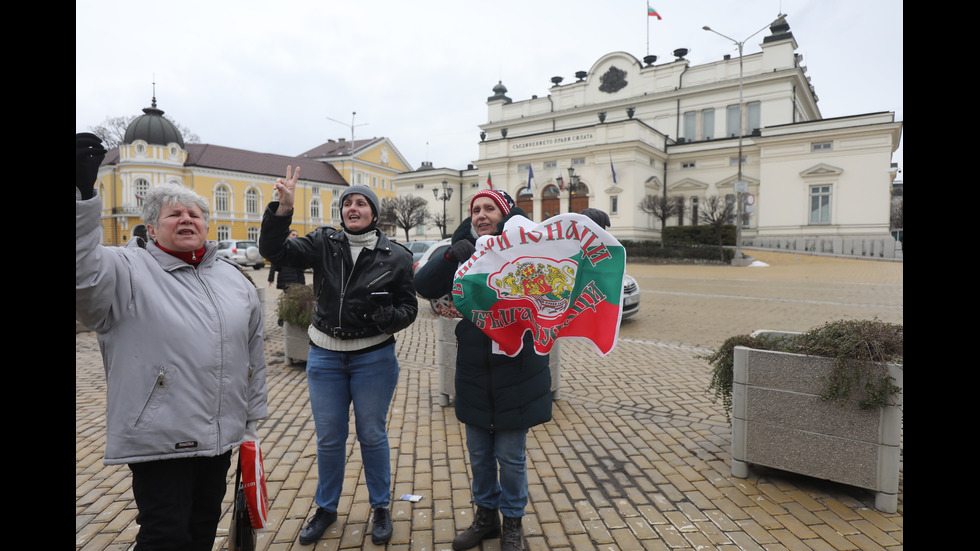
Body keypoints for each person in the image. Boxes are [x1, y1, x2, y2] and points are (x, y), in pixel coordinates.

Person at [75, 133, 268, 551]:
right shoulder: (124, 268)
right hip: (160, 435)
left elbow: (253, 355)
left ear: (207, 224)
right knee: (164, 536)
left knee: (201, 531)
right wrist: (82, 200)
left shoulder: (232, 278)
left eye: (194, 214)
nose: (186, 219)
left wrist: (250, 424)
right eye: (174, 214)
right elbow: (83, 281)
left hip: (219, 435)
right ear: (151, 228)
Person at [259, 166, 418, 546]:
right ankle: (326, 508)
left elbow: (409, 309)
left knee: (372, 435)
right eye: (348, 202)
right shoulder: (323, 243)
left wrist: (388, 318)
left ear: (374, 214)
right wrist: (283, 209)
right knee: (329, 438)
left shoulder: (396, 256)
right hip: (326, 357)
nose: (353, 207)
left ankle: (380, 507)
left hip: (373, 358)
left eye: (361, 203)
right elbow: (274, 251)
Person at [414, 189, 552, 551]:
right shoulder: (464, 250)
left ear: (505, 214)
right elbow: (423, 285)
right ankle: (486, 519)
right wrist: (451, 254)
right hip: (475, 367)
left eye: (490, 208)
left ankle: (512, 523)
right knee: (478, 453)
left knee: (510, 455)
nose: (481, 214)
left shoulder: (525, 248)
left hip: (517, 368)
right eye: (475, 209)